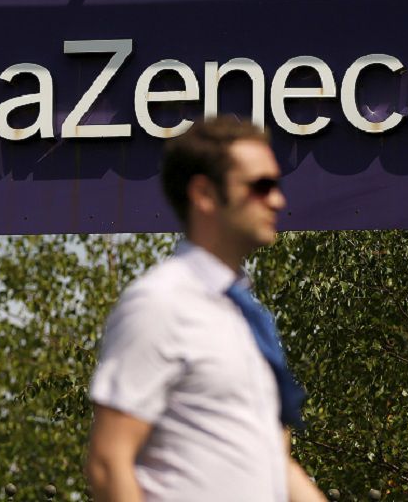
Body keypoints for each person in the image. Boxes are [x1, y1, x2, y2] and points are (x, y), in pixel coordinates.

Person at [87, 117, 326, 502]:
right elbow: (108, 461)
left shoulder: (247, 318)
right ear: (204, 193)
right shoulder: (160, 303)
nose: (278, 200)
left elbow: (276, 463)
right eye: (261, 186)